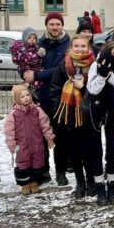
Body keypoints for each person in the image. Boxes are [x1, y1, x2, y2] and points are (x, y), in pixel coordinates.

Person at [48, 34, 97, 197]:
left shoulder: (94, 66)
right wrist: (60, 111)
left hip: (88, 115)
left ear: (89, 48)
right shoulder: (64, 65)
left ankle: (91, 182)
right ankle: (80, 183)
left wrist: (83, 87)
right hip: (69, 116)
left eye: (83, 46)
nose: (80, 49)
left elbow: (99, 90)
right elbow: (54, 89)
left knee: (88, 151)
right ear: (70, 48)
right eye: (76, 46)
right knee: (74, 152)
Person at [86, 42, 114, 205]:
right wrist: (101, 76)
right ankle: (99, 186)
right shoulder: (96, 65)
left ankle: (111, 185)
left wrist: (110, 77)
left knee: (111, 150)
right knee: (95, 150)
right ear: (107, 52)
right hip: (96, 111)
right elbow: (92, 89)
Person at [30, 12, 70, 186]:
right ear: (46, 25)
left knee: (60, 137)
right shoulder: (37, 43)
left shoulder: (68, 44)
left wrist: (38, 74)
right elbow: (26, 66)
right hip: (40, 97)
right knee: (40, 137)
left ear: (62, 26)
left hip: (61, 98)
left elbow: (61, 69)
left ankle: (61, 172)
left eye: (58, 24)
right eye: (52, 24)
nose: (55, 27)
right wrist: (27, 74)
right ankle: (44, 171)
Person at [4, 85, 55, 195]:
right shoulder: (14, 113)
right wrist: (11, 144)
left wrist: (49, 137)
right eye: (22, 97)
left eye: (28, 95)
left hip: (37, 144)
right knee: (23, 163)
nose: (26, 98)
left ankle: (34, 182)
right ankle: (24, 184)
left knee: (37, 162)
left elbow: (45, 124)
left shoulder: (37, 109)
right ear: (17, 98)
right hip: (22, 145)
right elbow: (9, 130)